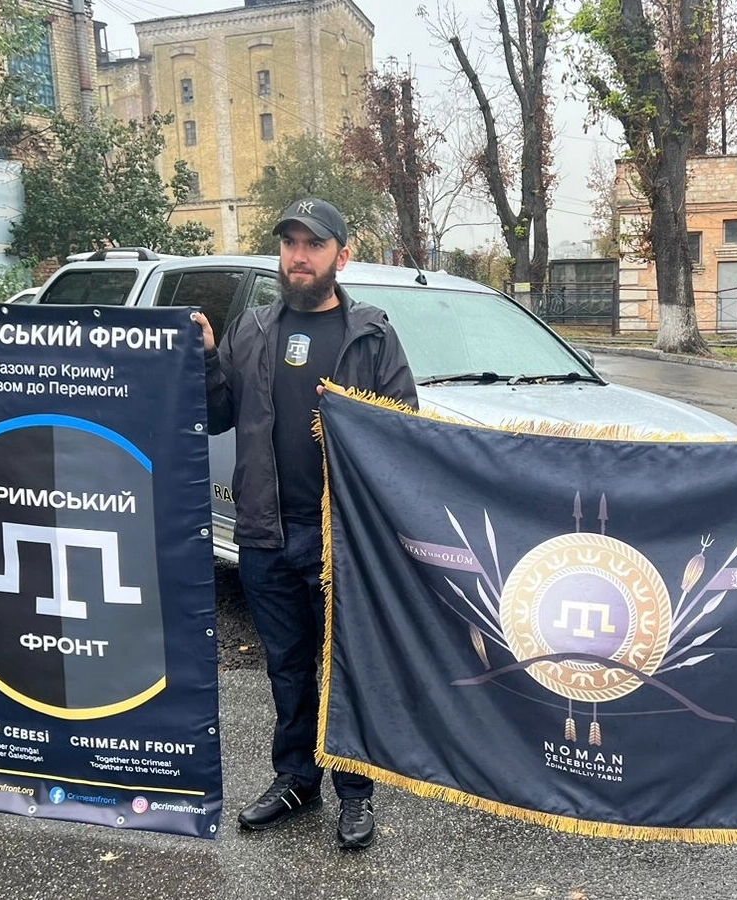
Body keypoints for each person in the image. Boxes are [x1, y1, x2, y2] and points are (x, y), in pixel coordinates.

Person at [194, 198, 416, 851]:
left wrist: (355, 416)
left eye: (313, 244)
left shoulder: (370, 335)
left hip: (340, 539)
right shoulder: (253, 328)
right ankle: (296, 779)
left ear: (341, 256)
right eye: (289, 243)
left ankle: (355, 793)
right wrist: (206, 359)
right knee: (288, 668)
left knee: (345, 668)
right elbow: (216, 416)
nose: (298, 256)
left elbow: (404, 430)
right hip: (265, 533)